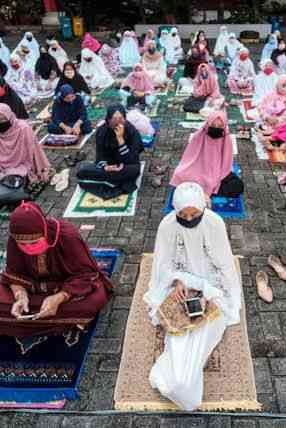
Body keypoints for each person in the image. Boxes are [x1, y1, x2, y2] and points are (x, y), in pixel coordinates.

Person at [145, 181, 241, 411]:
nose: (189, 219)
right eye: (183, 215)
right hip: (178, 287)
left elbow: (224, 266)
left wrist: (210, 292)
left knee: (203, 329)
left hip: (212, 288)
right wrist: (177, 281)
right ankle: (177, 382)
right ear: (175, 210)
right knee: (179, 330)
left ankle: (179, 382)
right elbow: (162, 266)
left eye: (194, 214)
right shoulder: (167, 225)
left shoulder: (214, 223)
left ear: (203, 208)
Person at [0, 201, 112, 351]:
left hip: (65, 289)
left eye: (34, 242)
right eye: (22, 244)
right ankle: (63, 322)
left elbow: (87, 275)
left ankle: (19, 325)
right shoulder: (14, 239)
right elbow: (13, 274)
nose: (28, 247)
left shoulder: (67, 235)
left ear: (45, 231)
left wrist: (59, 298)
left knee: (93, 300)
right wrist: (20, 295)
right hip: (33, 290)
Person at [0, 103, 51, 192]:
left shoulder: (23, 129)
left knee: (15, 181)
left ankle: (4, 186)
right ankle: (1, 186)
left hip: (18, 167)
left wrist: (40, 170)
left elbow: (33, 153)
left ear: (9, 117)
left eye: (2, 119)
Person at [170, 111, 242, 199]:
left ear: (224, 127)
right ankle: (204, 190)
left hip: (218, 170)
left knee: (237, 186)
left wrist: (217, 175)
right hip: (198, 169)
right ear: (208, 124)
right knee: (179, 174)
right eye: (213, 126)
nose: (216, 128)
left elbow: (226, 162)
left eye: (220, 126)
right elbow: (190, 157)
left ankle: (199, 190)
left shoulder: (226, 138)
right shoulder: (199, 135)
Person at [76, 105, 143, 199]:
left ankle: (112, 182)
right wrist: (105, 166)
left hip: (126, 166)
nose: (118, 121)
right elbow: (100, 156)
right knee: (81, 172)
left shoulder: (131, 131)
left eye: (121, 118)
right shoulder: (102, 131)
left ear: (125, 118)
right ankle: (118, 182)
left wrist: (120, 140)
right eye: (114, 118)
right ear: (108, 119)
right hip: (110, 166)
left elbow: (132, 159)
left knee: (135, 170)